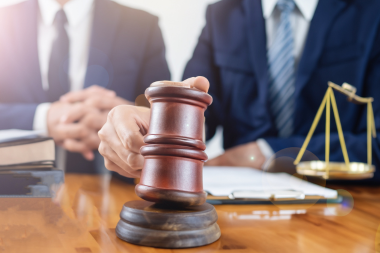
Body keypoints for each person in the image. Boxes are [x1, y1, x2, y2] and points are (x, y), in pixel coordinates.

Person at [98, 0, 380, 182]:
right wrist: (156, 127)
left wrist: (267, 153)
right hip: (240, 205)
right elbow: (194, 108)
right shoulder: (221, 14)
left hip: (346, 202)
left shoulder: (372, 15)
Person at [0, 0, 170, 173]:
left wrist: (124, 124)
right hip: (14, 185)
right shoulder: (3, 20)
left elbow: (167, 117)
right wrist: (42, 118)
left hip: (117, 189)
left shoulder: (142, 26)